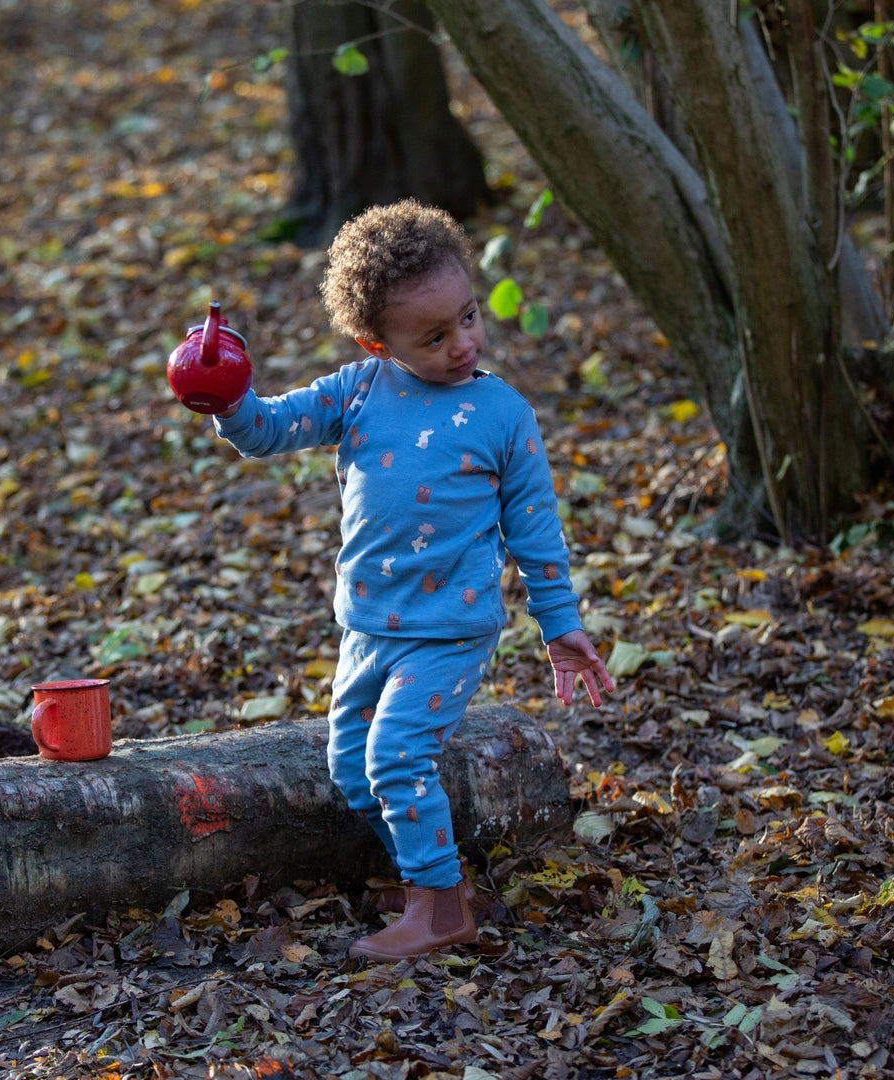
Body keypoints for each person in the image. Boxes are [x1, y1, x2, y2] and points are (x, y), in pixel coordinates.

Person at [211, 199, 613, 962]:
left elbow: (535, 531)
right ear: (377, 342)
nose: (462, 343)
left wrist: (560, 628)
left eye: (467, 318)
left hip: (450, 627)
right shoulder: (359, 391)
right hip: (369, 625)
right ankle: (431, 883)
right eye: (433, 336)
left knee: (396, 756)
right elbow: (268, 430)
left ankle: (439, 911)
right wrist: (224, 396)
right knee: (349, 769)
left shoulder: (502, 413)